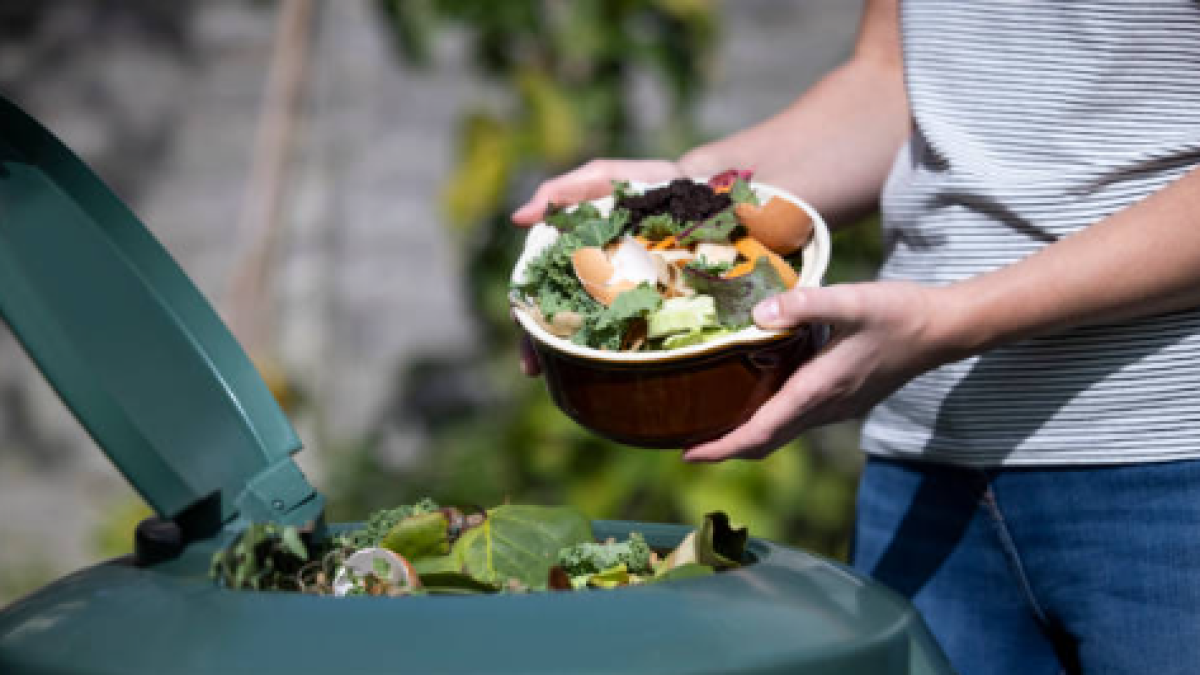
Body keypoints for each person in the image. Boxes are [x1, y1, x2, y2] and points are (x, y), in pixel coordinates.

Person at [511, 1, 1200, 673]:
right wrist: (679, 196)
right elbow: (895, 77)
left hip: (1166, 474)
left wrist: (951, 318)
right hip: (927, 473)